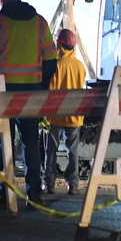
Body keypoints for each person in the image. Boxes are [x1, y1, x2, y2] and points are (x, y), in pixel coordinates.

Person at [0, 0, 57, 205]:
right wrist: (42, 86)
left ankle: (5, 192)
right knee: (31, 141)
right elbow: (51, 60)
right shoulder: (40, 23)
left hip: (4, 93)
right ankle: (34, 194)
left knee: (5, 141)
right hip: (32, 92)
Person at [43, 29, 86, 195]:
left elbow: (50, 92)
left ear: (59, 45)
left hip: (55, 117)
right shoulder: (80, 67)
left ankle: (49, 184)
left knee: (51, 151)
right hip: (75, 117)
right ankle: (73, 184)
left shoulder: (55, 65)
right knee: (73, 151)